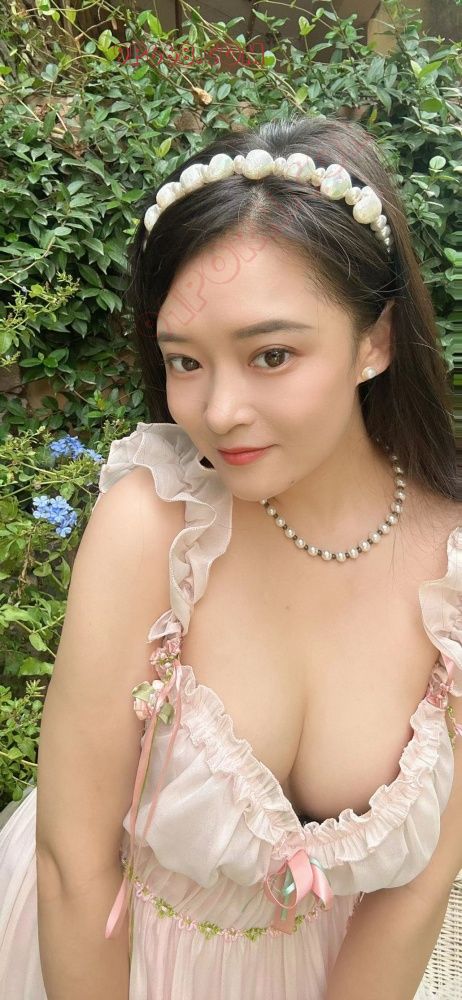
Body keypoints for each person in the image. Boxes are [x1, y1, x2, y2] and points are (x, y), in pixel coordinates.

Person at [0, 114, 461, 1000]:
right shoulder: (154, 527)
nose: (218, 412)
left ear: (376, 340)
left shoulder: (451, 568)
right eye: (185, 361)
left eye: (272, 354)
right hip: (106, 960)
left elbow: (419, 884)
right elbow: (72, 862)